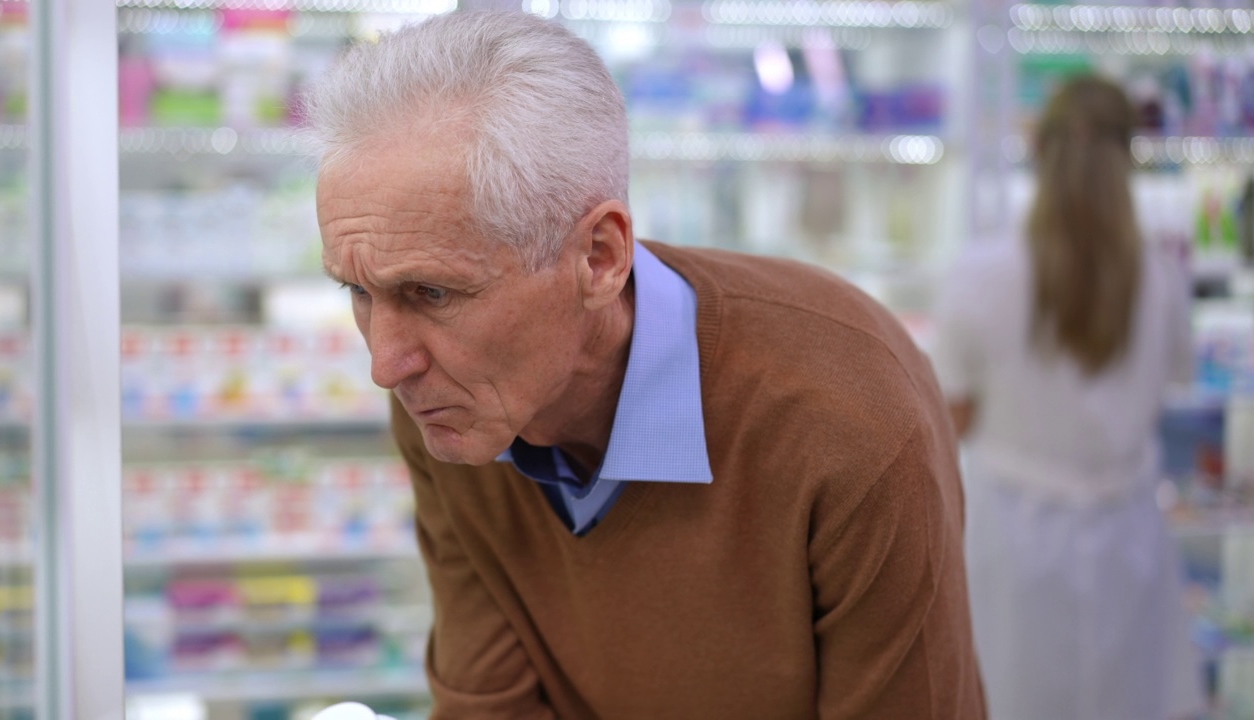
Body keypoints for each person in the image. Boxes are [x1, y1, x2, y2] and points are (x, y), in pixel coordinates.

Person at [309, 11, 985, 719]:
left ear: (599, 257)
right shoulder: (450, 400)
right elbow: (490, 705)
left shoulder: (848, 414)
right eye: (358, 290)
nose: (388, 364)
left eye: (433, 293)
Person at [929, 75, 1204, 720]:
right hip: (1129, 546)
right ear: (1131, 155)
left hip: (1013, 554)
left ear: (1038, 147)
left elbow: (951, 423)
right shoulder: (1161, 280)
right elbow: (1169, 389)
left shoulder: (983, 273)